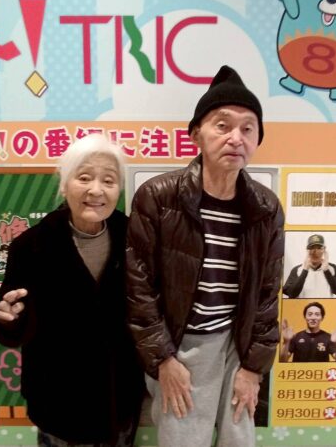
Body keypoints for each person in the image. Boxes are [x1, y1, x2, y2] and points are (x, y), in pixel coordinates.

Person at [126, 65, 285, 447]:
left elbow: (267, 296)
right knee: (182, 440)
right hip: (180, 345)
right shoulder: (158, 197)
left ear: (258, 138)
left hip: (237, 344)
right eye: (222, 125)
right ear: (196, 133)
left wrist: (253, 368)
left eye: (248, 128)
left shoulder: (266, 208)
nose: (236, 138)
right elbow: (138, 289)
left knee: (239, 440)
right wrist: (164, 360)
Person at [0, 134, 144, 447]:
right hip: (58, 401)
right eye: (84, 177)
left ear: (119, 190)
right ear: (64, 185)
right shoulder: (31, 246)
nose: (96, 190)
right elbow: (13, 320)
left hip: (118, 398)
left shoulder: (135, 239)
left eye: (108, 180)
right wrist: (6, 317)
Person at [282, 234, 336, 298]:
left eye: (319, 248)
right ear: (307, 250)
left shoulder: (334, 269)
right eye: (312, 248)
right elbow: (291, 294)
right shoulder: (297, 270)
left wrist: (326, 271)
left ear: (324, 250)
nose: (315, 252)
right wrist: (305, 270)